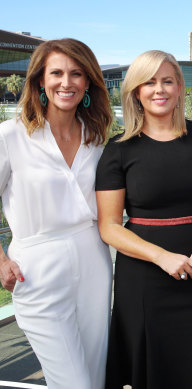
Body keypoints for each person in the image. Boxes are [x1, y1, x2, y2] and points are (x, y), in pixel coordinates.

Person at [95, 50, 192, 388]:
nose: (159, 89)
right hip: (146, 281)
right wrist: (161, 257)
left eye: (167, 81)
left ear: (179, 89)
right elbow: (109, 226)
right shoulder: (118, 149)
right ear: (135, 92)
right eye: (149, 82)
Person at [0, 38, 113, 388]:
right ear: (39, 81)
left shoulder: (96, 137)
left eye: (77, 73)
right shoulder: (10, 136)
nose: (67, 82)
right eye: (57, 73)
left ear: (88, 82)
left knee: (94, 377)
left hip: (95, 262)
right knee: (73, 382)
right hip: (35, 268)